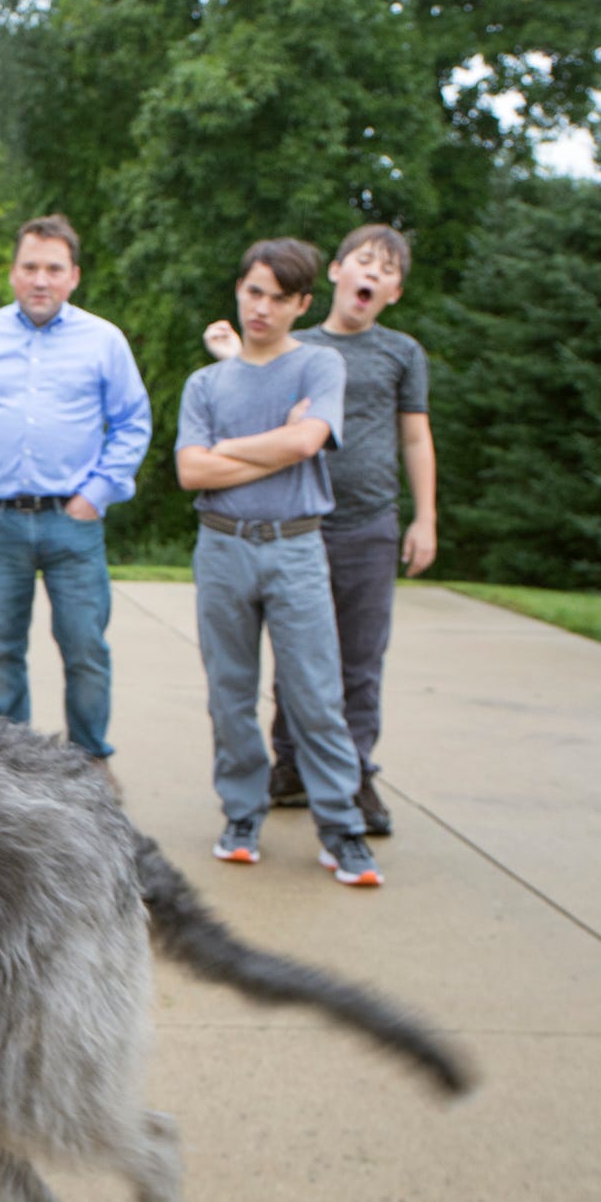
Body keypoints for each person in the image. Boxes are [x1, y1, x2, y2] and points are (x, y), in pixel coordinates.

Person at [205, 223, 436, 835]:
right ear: (333, 273)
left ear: (395, 292)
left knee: (358, 660)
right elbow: (250, 387)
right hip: (292, 521)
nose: (372, 274)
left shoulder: (401, 353)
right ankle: (291, 769)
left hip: (367, 524)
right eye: (363, 261)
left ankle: (355, 777)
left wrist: (426, 517)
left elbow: (415, 435)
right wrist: (233, 357)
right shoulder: (290, 342)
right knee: (295, 659)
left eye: (385, 271)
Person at [174, 239, 381, 887]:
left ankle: (341, 827)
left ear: (301, 304)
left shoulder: (319, 367)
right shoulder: (205, 382)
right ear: (239, 290)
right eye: (253, 292)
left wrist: (232, 451)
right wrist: (278, 445)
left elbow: (309, 439)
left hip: (295, 546)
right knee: (229, 694)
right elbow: (190, 469)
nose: (261, 308)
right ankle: (242, 813)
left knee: (315, 695)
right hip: (223, 545)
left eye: (278, 297)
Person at [0, 215, 150, 766]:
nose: (40, 280)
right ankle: (13, 767)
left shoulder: (104, 341)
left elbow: (132, 424)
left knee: (86, 651)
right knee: (2, 654)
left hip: (72, 523)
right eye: (30, 267)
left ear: (73, 276)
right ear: (12, 274)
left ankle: (90, 763)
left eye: (53, 268)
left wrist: (95, 495)